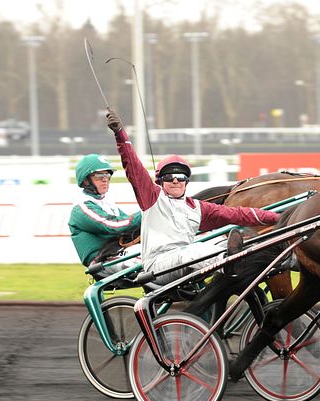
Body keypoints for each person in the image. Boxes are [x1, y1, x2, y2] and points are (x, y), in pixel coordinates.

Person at [105, 108, 280, 284]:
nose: (175, 180)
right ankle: (229, 266)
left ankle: (274, 263)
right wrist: (120, 134)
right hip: (157, 267)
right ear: (160, 181)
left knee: (225, 240)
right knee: (192, 251)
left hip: (185, 263)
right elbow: (133, 166)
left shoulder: (197, 207)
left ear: (186, 181)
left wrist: (278, 218)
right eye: (168, 177)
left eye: (180, 177)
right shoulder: (152, 198)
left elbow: (238, 214)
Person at [68, 153, 142, 277]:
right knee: (151, 261)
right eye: (99, 176)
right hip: (102, 261)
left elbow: (129, 226)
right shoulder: (82, 206)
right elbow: (114, 226)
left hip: (116, 253)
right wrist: (146, 212)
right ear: (86, 180)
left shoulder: (106, 202)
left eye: (107, 175)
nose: (105, 180)